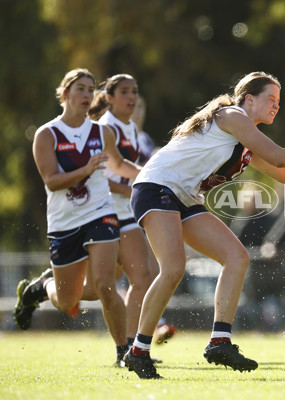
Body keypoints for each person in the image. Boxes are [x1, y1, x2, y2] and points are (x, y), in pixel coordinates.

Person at [122, 71, 285, 379]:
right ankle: (138, 351)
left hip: (183, 198)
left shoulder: (245, 139)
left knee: (237, 257)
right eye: (270, 99)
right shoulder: (232, 115)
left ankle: (219, 342)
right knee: (174, 268)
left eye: (278, 101)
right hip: (155, 188)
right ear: (249, 99)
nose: (276, 106)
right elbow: (279, 155)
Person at [14, 68, 142, 365]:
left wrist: (155, 177)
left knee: (106, 284)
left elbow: (120, 165)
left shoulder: (102, 132)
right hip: (64, 222)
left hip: (101, 213)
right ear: (65, 93)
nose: (86, 95)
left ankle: (125, 352)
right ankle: (41, 288)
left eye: (89, 89)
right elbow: (52, 181)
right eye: (80, 89)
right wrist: (86, 169)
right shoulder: (47, 134)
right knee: (67, 301)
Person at [85, 74, 153, 352]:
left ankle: (131, 347)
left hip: (125, 212)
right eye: (124, 91)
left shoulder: (132, 130)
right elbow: (100, 175)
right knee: (96, 288)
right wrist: (136, 187)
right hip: (102, 211)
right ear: (109, 98)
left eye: (135, 91)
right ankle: (46, 285)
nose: (132, 97)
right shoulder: (105, 128)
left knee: (142, 279)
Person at [130, 94, 177, 344]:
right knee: (100, 283)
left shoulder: (144, 139)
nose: (135, 111)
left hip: (139, 214)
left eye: (140, 106)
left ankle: (144, 333)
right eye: (132, 105)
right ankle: (49, 284)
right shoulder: (112, 135)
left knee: (144, 274)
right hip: (114, 212)